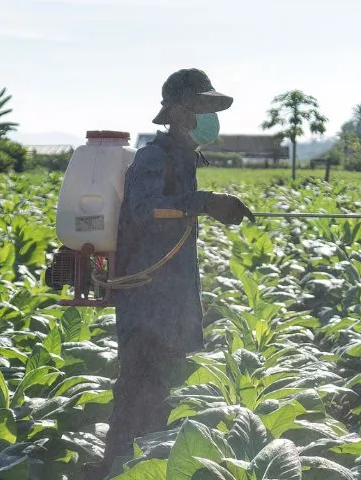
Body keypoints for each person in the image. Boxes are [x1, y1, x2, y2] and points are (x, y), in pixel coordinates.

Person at [92, 68, 254, 477]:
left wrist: (209, 205)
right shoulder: (155, 156)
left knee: (161, 396)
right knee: (137, 395)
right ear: (179, 112)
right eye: (203, 106)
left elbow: (176, 212)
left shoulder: (184, 158)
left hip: (170, 303)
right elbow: (147, 209)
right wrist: (205, 202)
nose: (209, 115)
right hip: (148, 303)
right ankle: (116, 469)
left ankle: (140, 466)